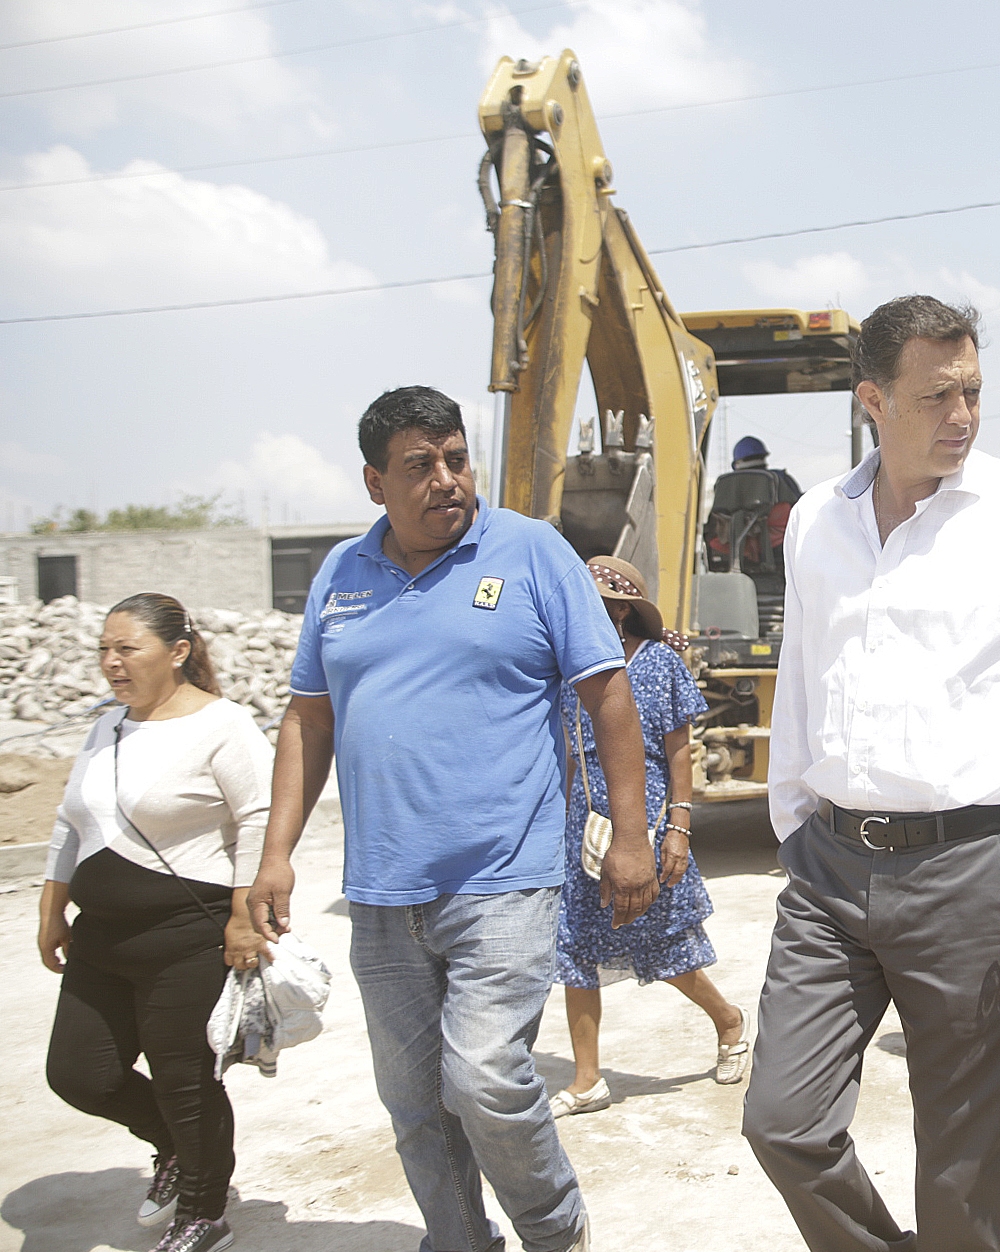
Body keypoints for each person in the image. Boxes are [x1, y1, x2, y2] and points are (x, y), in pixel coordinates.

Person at [742, 295, 1000, 1252]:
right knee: (783, 1123)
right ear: (873, 398)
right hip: (830, 870)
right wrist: (793, 818)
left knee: (957, 1169)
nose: (962, 416)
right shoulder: (818, 522)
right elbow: (803, 676)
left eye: (974, 392)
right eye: (937, 395)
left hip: (971, 874)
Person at [246, 386, 649, 1252]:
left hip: (504, 878)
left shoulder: (534, 552)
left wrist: (632, 833)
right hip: (382, 892)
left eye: (456, 459)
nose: (446, 481)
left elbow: (607, 692)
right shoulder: (341, 575)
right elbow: (308, 717)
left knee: (486, 1079)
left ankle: (555, 1230)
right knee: (415, 1102)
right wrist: (274, 855)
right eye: (419, 466)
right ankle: (461, 1240)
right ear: (373, 482)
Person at [38, 593, 272, 1252]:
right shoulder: (105, 726)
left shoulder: (223, 724)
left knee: (186, 1081)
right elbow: (68, 821)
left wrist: (245, 917)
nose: (111, 663)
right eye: (104, 650)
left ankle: (205, 1210)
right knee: (79, 1074)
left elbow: (258, 816)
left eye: (126, 649)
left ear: (177, 652)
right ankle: (169, 1147)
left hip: (186, 938)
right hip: (100, 938)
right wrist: (52, 907)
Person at [550, 556, 748, 1119]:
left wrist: (678, 827)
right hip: (583, 821)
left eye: (595, 606)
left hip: (649, 815)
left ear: (620, 612)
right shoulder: (568, 667)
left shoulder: (659, 663)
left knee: (662, 942)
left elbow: (679, 748)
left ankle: (728, 1019)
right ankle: (587, 1079)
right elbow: (568, 751)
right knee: (574, 947)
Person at [730, 434, 804, 501]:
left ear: (736, 463)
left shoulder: (728, 484)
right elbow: (799, 504)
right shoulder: (781, 478)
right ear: (763, 457)